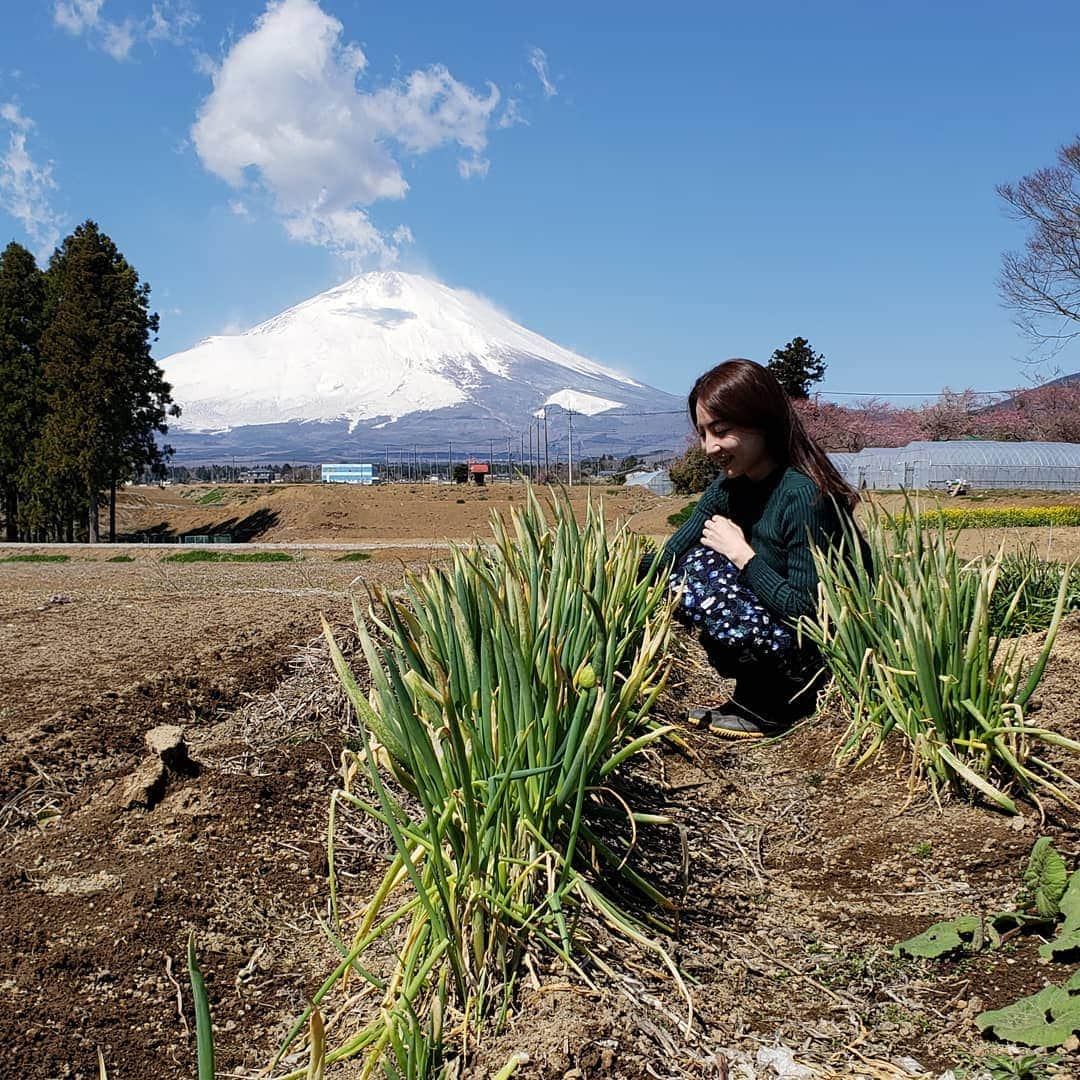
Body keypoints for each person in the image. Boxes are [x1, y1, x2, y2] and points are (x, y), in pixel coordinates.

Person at [654, 359, 863, 739]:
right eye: (702, 434)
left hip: (815, 647)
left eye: (721, 431)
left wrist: (742, 555)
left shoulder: (803, 496)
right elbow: (672, 554)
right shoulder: (729, 488)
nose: (708, 447)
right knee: (687, 570)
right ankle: (752, 693)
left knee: (707, 574)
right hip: (775, 627)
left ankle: (782, 701)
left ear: (761, 422)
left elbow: (806, 609)